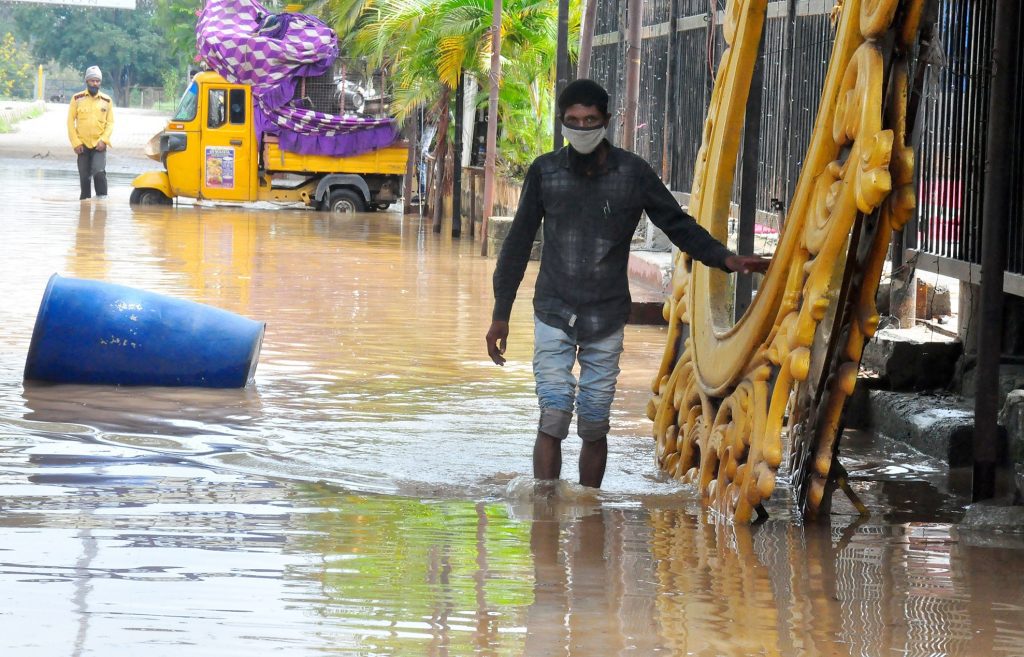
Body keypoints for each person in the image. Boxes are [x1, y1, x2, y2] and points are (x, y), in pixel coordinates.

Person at [485, 79, 770, 489]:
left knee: (596, 421)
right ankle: (545, 513)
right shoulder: (545, 173)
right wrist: (500, 316)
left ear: (607, 122)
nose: (582, 128)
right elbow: (515, 247)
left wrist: (725, 259)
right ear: (562, 124)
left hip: (606, 314)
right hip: (552, 310)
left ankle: (588, 508)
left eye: (590, 120)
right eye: (573, 121)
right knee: (553, 413)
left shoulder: (632, 173)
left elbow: (677, 224)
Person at [67, 66, 114, 200]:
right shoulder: (77, 99)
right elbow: (70, 122)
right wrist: (75, 143)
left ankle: (102, 202)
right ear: (87, 81)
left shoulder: (107, 100)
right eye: (92, 80)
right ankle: (85, 207)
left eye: (97, 81)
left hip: (99, 144)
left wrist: (104, 140)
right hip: (82, 145)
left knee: (99, 172)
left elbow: (110, 123)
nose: (95, 83)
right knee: (84, 177)